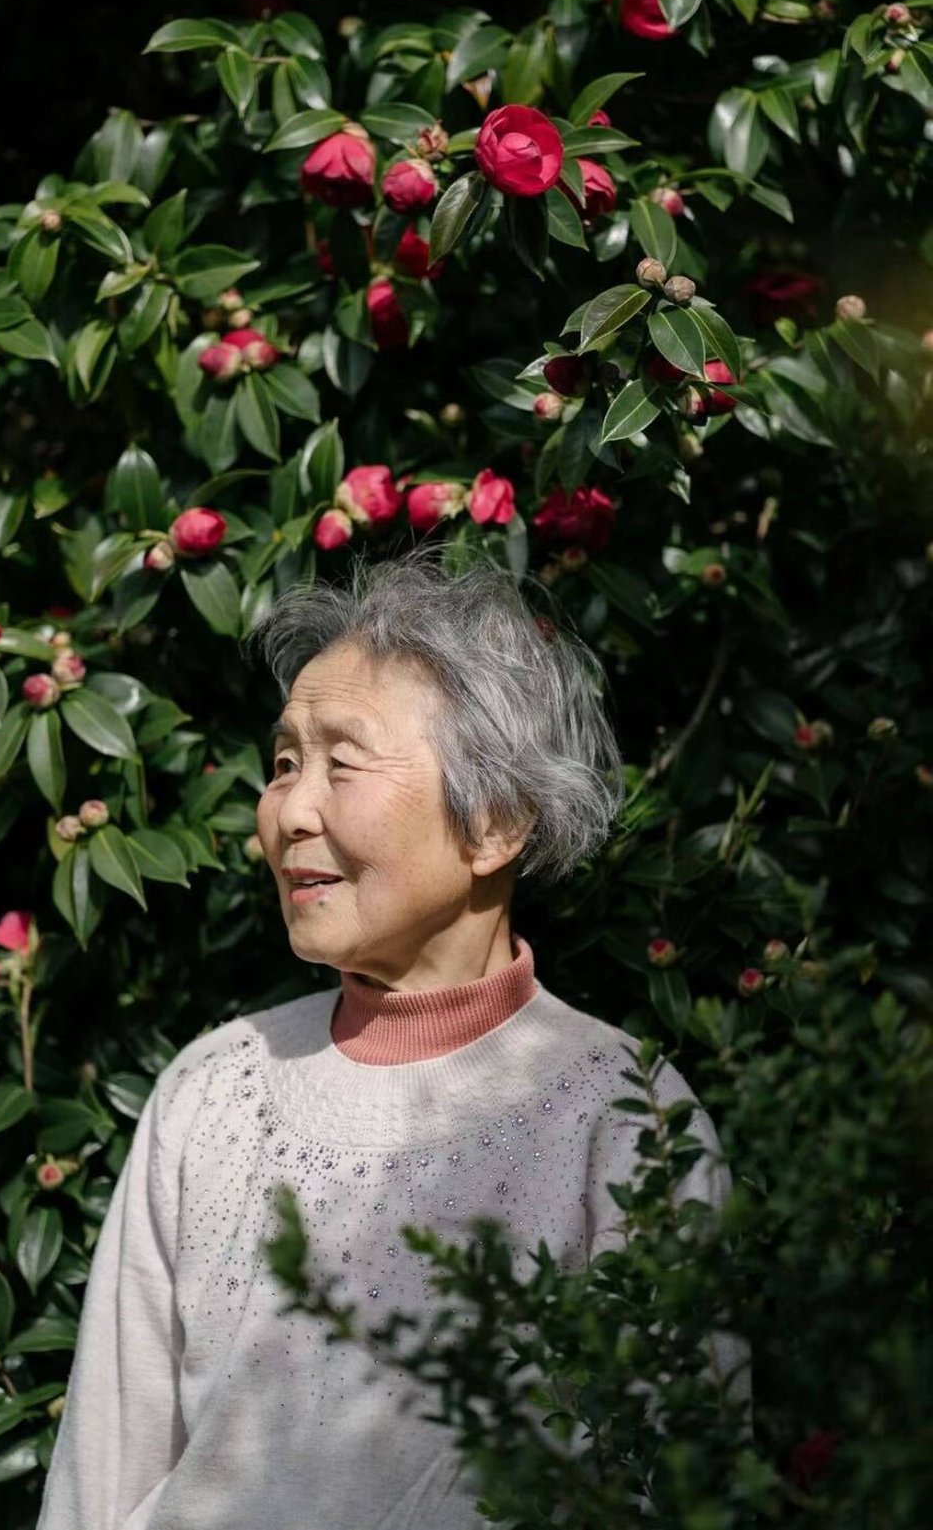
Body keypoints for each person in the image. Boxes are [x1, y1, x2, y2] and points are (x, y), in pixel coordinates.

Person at [36, 545, 751, 1529]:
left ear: (493, 819)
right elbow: (98, 1477)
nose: (288, 810)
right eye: (285, 762)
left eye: (342, 760)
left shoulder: (625, 1121)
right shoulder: (209, 1092)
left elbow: (679, 1484)